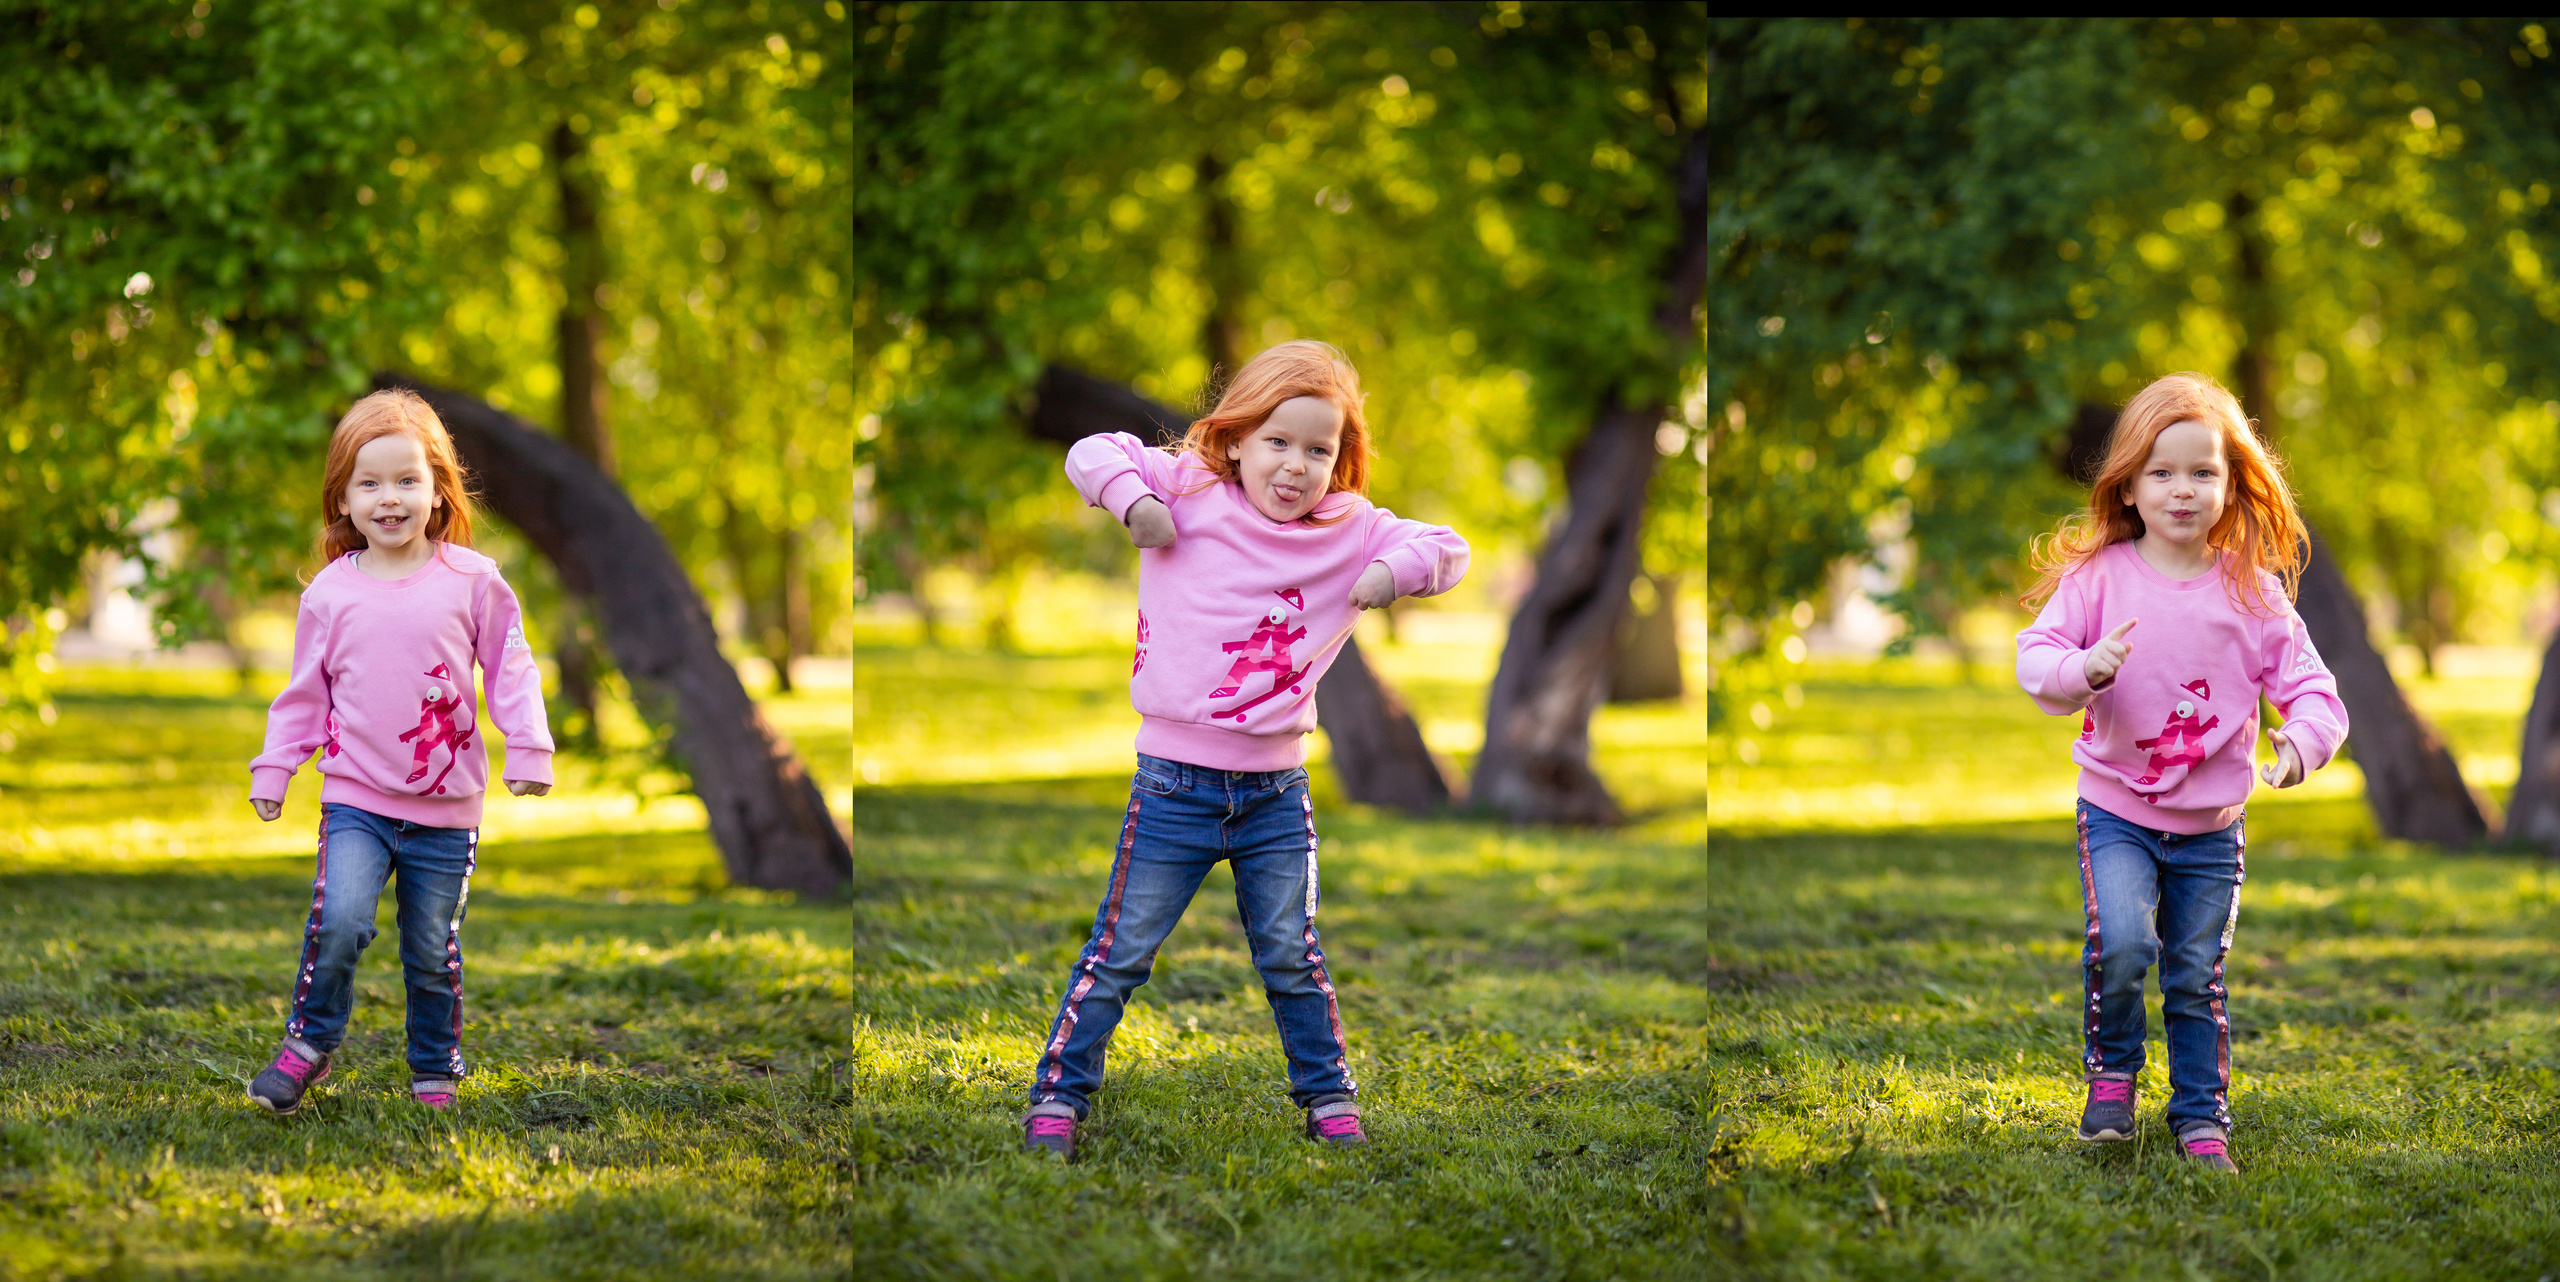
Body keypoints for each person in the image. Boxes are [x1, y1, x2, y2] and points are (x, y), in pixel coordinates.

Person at [1021, 341, 1469, 1158]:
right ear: (1234, 440)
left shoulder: (1348, 527)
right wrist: (1132, 505)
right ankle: (1058, 1096)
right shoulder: (1187, 486)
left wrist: (1392, 573)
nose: (1296, 466)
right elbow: (1092, 452)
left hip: (1273, 797)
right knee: (1120, 953)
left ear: (1340, 461)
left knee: (1290, 955)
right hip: (1172, 789)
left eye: (1318, 450)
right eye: (1277, 442)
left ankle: (1329, 1099)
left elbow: (1449, 547)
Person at [2015, 372, 2348, 1174]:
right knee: (2125, 946)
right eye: (2162, 472)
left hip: (2211, 827)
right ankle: (2113, 1082)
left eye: (2203, 472)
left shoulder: (2252, 593)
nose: (2182, 489)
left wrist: (2299, 745)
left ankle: (2202, 1119)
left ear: (2232, 484)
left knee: (2195, 975)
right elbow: (2038, 660)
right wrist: (2084, 668)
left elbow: (2315, 693)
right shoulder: (2098, 579)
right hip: (2118, 809)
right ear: (2128, 484)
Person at [242, 389, 555, 1115]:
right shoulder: (329, 594)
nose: (390, 499)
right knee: (342, 920)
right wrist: (276, 766)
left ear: (439, 490)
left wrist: (529, 749)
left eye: (408, 480)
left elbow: (513, 668)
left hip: (446, 812)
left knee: (429, 949)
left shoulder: (474, 583)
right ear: (343, 499)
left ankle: (434, 1070)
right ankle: (309, 1046)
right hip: (355, 798)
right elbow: (303, 697)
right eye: (370, 483)